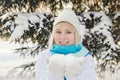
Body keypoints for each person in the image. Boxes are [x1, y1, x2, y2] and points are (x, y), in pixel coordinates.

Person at [35, 8, 96, 80]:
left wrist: (74, 75)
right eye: (58, 32)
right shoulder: (44, 56)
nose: (63, 37)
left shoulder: (85, 57)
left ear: (75, 34)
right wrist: (54, 73)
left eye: (68, 32)